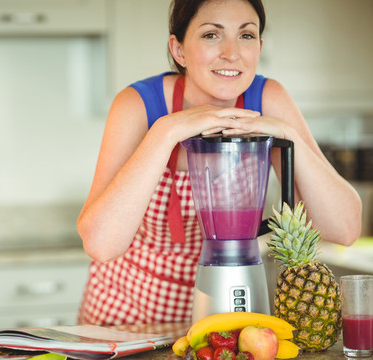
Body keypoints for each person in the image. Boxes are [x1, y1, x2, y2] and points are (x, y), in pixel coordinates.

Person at [76, 0, 362, 325]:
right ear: (179, 49)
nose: (231, 53)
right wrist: (166, 130)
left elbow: (345, 228)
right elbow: (100, 244)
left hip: (225, 317)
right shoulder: (139, 105)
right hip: (125, 316)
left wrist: (286, 133)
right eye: (212, 35)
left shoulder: (267, 99)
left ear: (259, 47)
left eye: (246, 35)